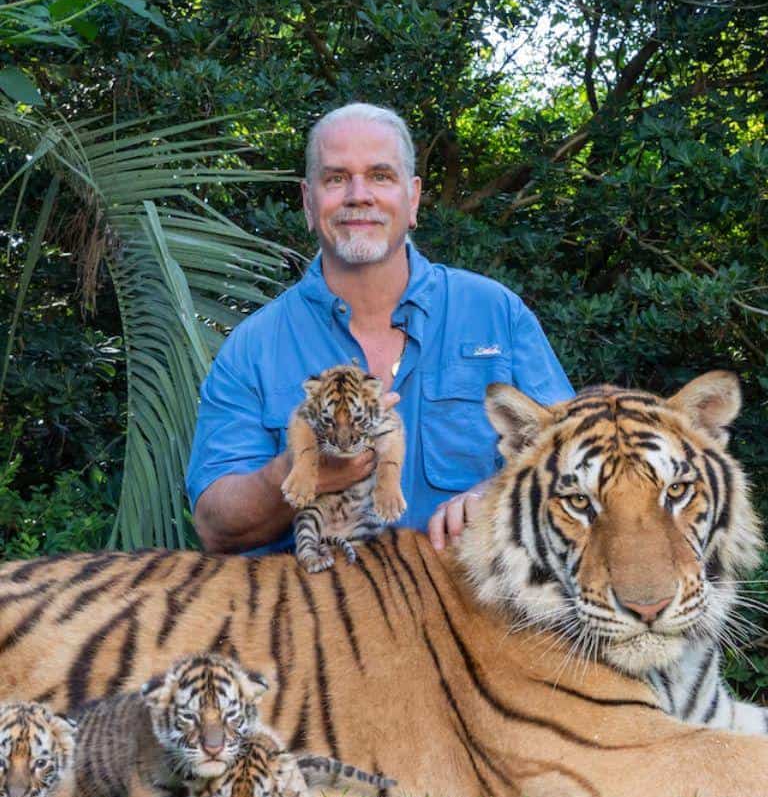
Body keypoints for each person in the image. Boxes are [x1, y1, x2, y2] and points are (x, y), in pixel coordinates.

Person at [186, 102, 573, 556]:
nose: (358, 195)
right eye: (335, 179)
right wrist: (298, 468)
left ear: (412, 199)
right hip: (317, 617)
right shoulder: (253, 348)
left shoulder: (496, 313)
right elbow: (215, 526)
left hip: (472, 614)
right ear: (309, 203)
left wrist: (495, 496)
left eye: (380, 176)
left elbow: (574, 453)